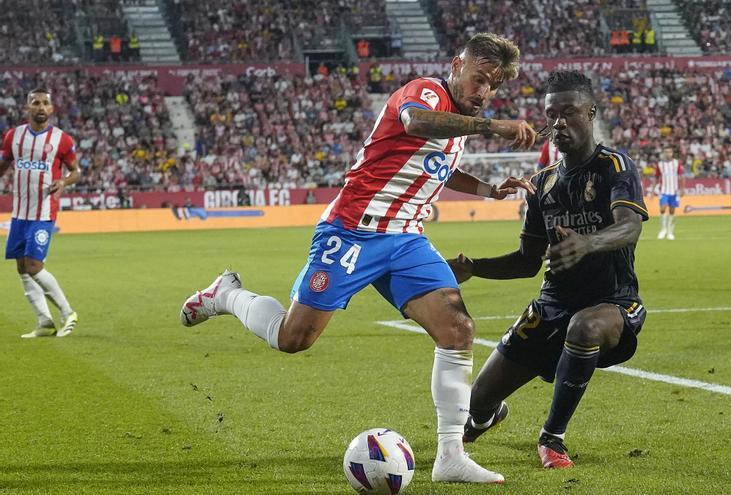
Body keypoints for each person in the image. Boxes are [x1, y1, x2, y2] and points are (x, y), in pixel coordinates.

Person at [179, 33, 538, 484]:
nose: (484, 92)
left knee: (458, 330)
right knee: (293, 338)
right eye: (479, 78)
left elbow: (438, 168)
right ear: (456, 65)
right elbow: (416, 124)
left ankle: (450, 455)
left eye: (494, 86)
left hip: (406, 239)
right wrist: (493, 127)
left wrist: (489, 190)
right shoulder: (427, 92)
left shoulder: (461, 119)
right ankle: (226, 295)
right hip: (353, 231)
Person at [447, 71, 648, 469]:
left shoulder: (614, 166)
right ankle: (489, 417)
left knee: (585, 327)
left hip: (613, 302)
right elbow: (527, 261)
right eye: (550, 114)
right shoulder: (542, 184)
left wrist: (586, 243)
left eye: (569, 113)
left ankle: (552, 438)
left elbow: (630, 225)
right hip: (552, 305)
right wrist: (474, 268)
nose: (558, 123)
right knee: (477, 399)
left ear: (590, 112)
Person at [0, 88, 81, 338]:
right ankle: (44, 321)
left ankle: (68, 313)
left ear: (52, 109)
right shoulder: (13, 136)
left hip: (43, 213)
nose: (40, 107)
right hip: (20, 213)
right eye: (35, 102)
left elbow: (75, 171)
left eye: (45, 103)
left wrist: (64, 183)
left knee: (34, 265)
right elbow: (3, 164)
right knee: (22, 267)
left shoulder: (62, 140)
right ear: (28, 108)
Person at [650, 146, 685, 240]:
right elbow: (656, 178)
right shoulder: (660, 164)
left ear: (672, 153)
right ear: (663, 153)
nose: (668, 153)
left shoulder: (676, 163)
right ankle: (663, 229)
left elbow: (681, 176)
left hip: (674, 191)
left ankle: (670, 232)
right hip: (664, 191)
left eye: (669, 152)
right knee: (662, 208)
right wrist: (652, 191)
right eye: (666, 152)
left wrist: (682, 189)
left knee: (672, 211)